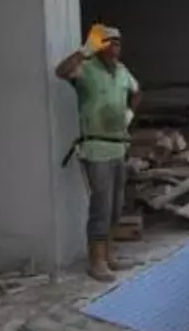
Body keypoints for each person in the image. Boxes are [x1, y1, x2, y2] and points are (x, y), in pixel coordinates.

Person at [55, 23, 141, 282]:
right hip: (95, 147)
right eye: (109, 42)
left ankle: (109, 253)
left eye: (117, 43)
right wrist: (85, 50)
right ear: (99, 46)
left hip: (118, 145)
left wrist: (128, 114)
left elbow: (137, 93)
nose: (115, 47)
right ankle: (97, 260)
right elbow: (61, 71)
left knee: (115, 204)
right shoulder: (86, 69)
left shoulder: (123, 71)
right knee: (101, 205)